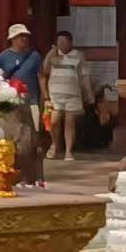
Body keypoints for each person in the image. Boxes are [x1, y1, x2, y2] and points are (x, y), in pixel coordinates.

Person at [0, 23, 46, 189]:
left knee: (33, 139)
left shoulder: (34, 56)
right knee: (15, 139)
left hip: (31, 101)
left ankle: (36, 175)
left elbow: (41, 77)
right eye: (20, 36)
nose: (24, 39)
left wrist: (46, 97)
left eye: (25, 36)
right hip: (12, 104)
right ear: (12, 39)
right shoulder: (3, 57)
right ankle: (15, 172)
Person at [42, 30, 92, 162]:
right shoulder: (53, 55)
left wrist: (88, 94)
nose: (61, 44)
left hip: (73, 95)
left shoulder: (79, 55)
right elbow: (44, 72)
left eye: (64, 41)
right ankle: (54, 144)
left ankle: (68, 151)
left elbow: (84, 76)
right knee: (53, 122)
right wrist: (49, 55)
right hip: (55, 95)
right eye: (59, 41)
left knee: (70, 123)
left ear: (70, 43)